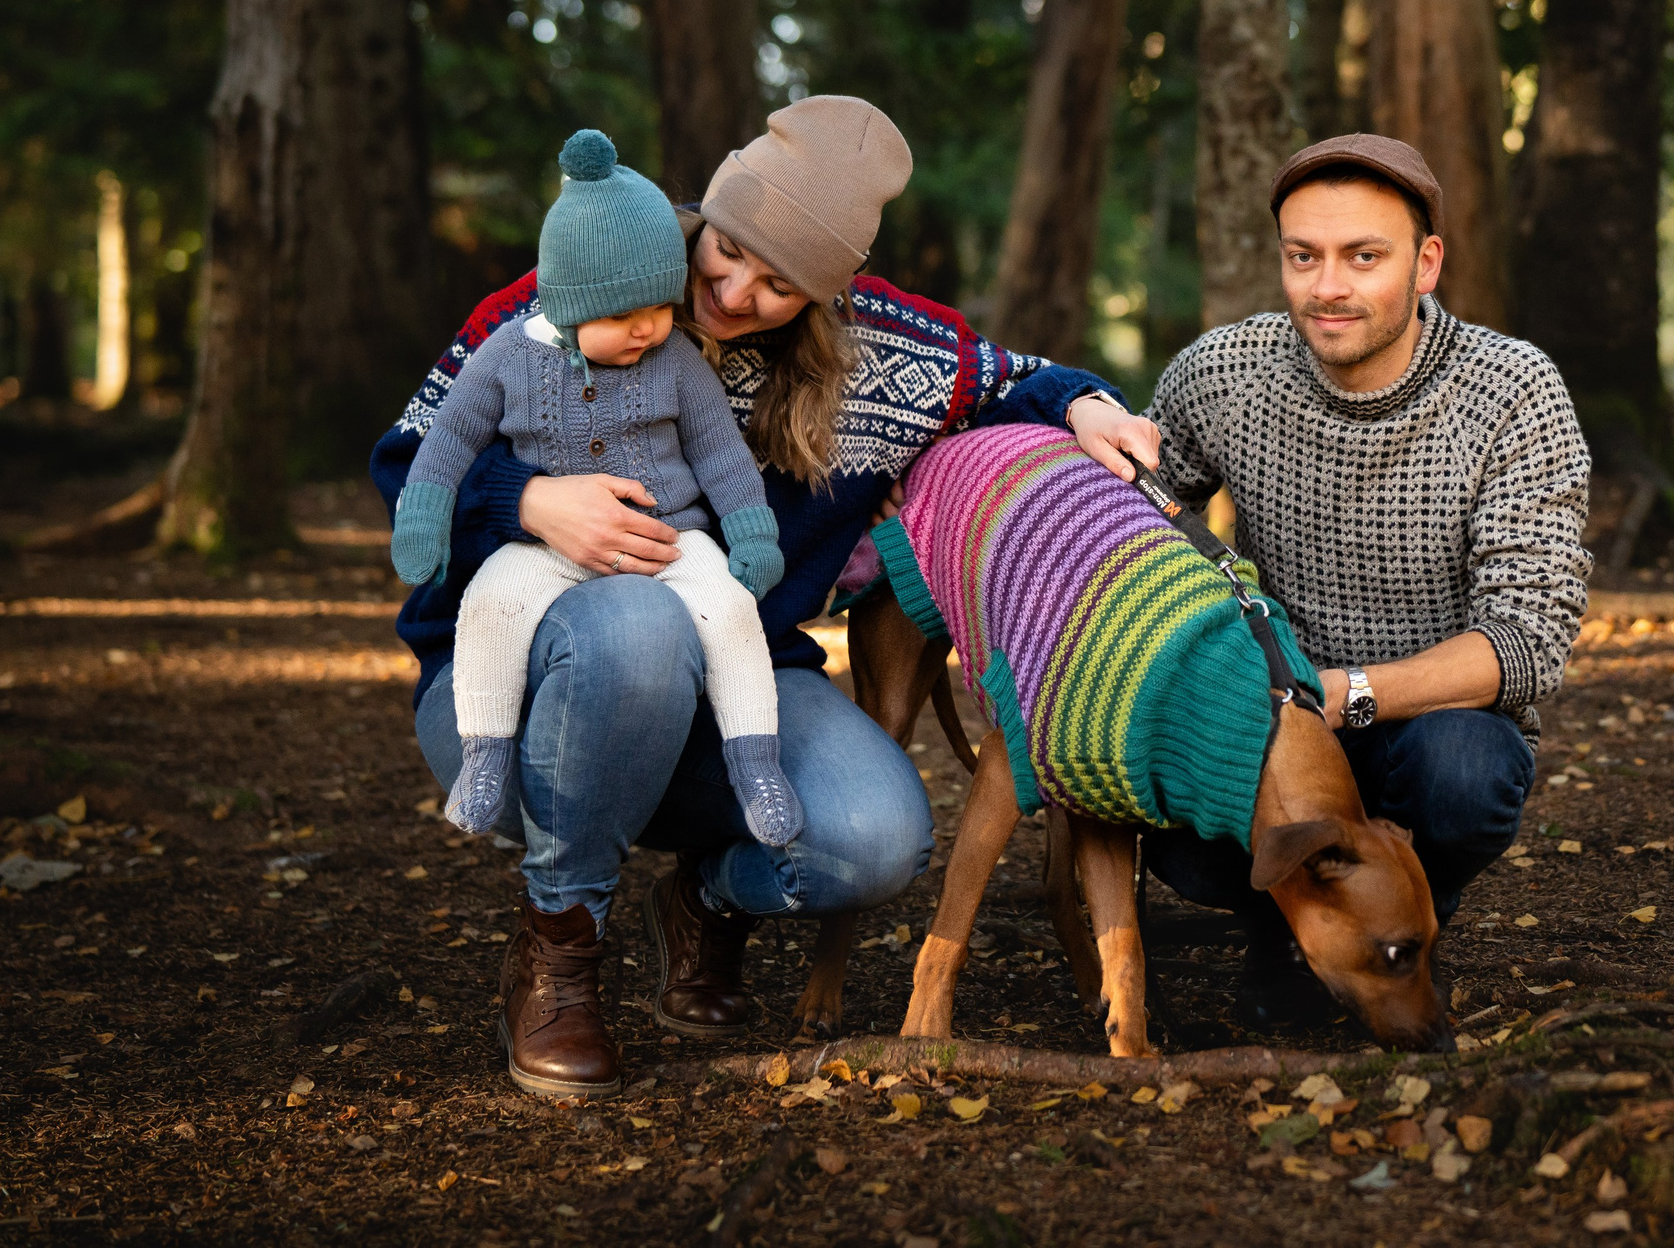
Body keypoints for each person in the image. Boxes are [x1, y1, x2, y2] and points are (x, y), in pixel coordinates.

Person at [370, 96, 1160, 1099]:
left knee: (874, 840)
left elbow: (1019, 380)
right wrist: (526, 499)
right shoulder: (585, 278)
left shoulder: (896, 358)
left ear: (831, 295)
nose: (734, 293)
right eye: (726, 252)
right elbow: (408, 462)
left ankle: (701, 899)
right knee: (634, 621)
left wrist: (1088, 404)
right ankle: (559, 950)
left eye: (780, 285)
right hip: (517, 692)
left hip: (734, 681)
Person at [1135, 132, 1593, 1029]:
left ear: (1426, 264)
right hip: (1275, 736)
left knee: (1464, 773)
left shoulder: (1512, 389)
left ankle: (1405, 928)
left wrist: (1335, 696)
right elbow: (1126, 521)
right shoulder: (1226, 371)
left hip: (1427, 726)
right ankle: (1296, 930)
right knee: (1185, 843)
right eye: (1303, 256)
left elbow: (1528, 643)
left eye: (1362, 257)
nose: (1327, 286)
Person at [389, 130, 794, 847]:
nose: (647, 330)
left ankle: (755, 760)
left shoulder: (675, 362)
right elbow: (445, 438)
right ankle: (485, 754)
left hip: (672, 537)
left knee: (732, 615)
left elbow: (721, 454)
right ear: (569, 304)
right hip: (545, 545)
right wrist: (424, 520)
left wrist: (753, 535)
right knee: (491, 604)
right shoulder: (506, 355)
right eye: (621, 317)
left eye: (660, 309)